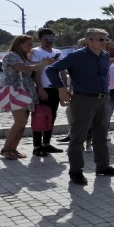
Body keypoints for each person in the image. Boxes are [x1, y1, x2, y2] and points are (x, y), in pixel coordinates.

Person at [46, 28, 114, 186]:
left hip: (103, 99)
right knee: (78, 138)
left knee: (101, 136)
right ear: (89, 41)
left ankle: (102, 167)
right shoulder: (77, 56)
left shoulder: (104, 56)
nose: (105, 42)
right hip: (83, 100)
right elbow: (51, 69)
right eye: (100, 39)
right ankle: (76, 172)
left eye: (105, 39)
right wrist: (61, 89)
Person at [0, 35, 53, 159]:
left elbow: (33, 70)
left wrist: (43, 64)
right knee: (20, 122)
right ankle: (6, 149)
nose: (31, 47)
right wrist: (41, 65)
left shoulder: (24, 57)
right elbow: (23, 68)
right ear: (19, 44)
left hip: (26, 92)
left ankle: (13, 149)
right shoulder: (11, 55)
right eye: (29, 44)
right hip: (15, 91)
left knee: (22, 123)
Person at [29, 28, 65, 157]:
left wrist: (64, 88)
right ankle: (37, 146)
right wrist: (39, 88)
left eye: (52, 38)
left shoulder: (58, 52)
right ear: (40, 39)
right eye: (46, 39)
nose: (49, 41)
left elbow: (62, 71)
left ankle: (47, 144)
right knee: (39, 116)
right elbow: (35, 71)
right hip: (43, 88)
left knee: (52, 116)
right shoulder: (36, 52)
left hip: (56, 88)